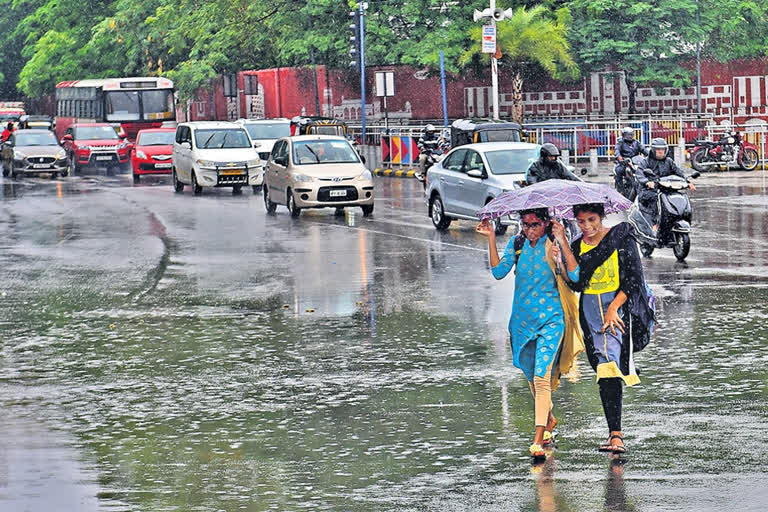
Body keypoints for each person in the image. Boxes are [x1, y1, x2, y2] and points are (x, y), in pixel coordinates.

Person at [477, 208, 583, 460]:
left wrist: (562, 251)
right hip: (522, 323)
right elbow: (498, 272)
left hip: (551, 320)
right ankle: (549, 418)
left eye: (535, 224)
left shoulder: (554, 243)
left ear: (546, 223)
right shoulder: (517, 243)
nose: (529, 229)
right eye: (524, 224)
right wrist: (491, 236)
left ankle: (538, 438)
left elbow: (576, 276)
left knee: (541, 376)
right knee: (531, 376)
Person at [551, 203, 655, 454]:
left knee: (608, 367)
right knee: (603, 369)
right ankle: (613, 433)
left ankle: (616, 436)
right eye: (581, 221)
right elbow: (576, 283)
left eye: (592, 219)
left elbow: (633, 278)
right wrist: (561, 256)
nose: (587, 226)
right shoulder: (576, 245)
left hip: (616, 311)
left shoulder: (621, 237)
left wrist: (613, 308)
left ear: (602, 217)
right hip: (589, 315)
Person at [634, 138, 695, 228]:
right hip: (649, 189)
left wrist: (687, 182)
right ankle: (655, 223)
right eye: (658, 150)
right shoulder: (646, 161)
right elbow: (639, 174)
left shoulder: (669, 161)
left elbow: (678, 172)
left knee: (680, 197)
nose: (660, 152)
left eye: (662, 149)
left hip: (666, 188)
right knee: (655, 198)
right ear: (653, 150)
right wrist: (647, 182)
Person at [613, 127, 647, 194]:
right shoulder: (620, 142)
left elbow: (643, 150)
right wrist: (619, 157)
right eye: (628, 135)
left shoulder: (636, 142)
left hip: (635, 162)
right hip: (624, 162)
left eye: (631, 134)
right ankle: (620, 190)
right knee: (619, 171)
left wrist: (650, 155)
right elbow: (617, 150)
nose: (630, 136)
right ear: (624, 135)